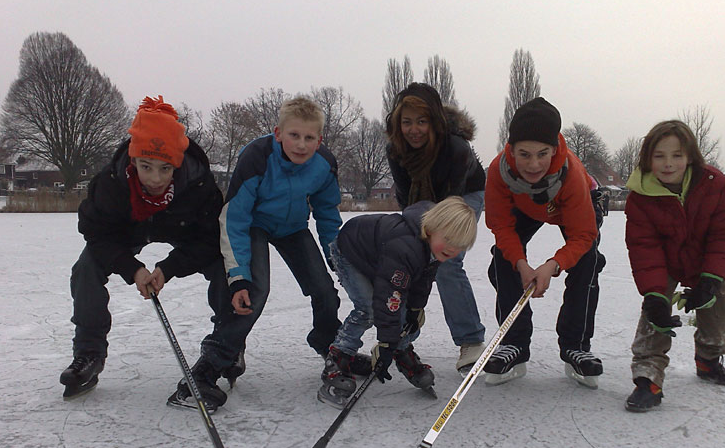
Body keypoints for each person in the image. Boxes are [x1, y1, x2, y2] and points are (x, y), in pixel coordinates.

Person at [168, 96, 343, 411]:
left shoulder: (324, 165)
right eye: (294, 135)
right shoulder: (256, 157)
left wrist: (336, 256)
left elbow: (327, 212)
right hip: (254, 226)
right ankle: (208, 367)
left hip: (292, 228)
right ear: (277, 133)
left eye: (309, 138)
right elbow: (235, 219)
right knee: (254, 292)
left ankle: (330, 346)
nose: (301, 144)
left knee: (324, 290)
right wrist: (238, 277)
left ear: (319, 140)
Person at [60, 96, 231, 400]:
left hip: (183, 229)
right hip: (129, 230)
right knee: (86, 267)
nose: (155, 179)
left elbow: (209, 240)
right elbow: (96, 233)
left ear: (177, 164)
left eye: (165, 169)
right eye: (146, 166)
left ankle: (228, 346)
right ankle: (89, 354)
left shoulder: (199, 185)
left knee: (225, 266)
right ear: (132, 160)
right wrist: (133, 268)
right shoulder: (111, 182)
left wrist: (168, 268)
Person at [483, 97, 606, 386]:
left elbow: (583, 235)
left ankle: (576, 346)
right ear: (510, 149)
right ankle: (513, 343)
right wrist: (521, 264)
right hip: (526, 206)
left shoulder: (572, 173)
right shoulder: (498, 172)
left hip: (571, 209)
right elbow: (501, 226)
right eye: (524, 154)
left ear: (554, 149)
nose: (534, 164)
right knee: (502, 260)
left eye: (542, 153)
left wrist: (553, 265)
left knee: (587, 261)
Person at [624, 120, 725, 412]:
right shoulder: (641, 196)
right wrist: (654, 295)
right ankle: (647, 379)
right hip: (663, 262)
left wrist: (711, 279)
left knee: (715, 310)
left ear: (690, 156)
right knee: (655, 315)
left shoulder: (716, 186)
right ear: (647, 158)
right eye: (659, 156)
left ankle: (709, 359)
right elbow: (644, 247)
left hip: (706, 261)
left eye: (676, 155)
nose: (668, 164)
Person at [318, 196, 478, 408]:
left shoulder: (433, 248)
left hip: (378, 258)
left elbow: (421, 281)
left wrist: (413, 309)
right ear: (432, 228)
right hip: (349, 251)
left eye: (459, 246)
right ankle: (337, 360)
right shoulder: (406, 247)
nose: (452, 249)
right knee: (368, 309)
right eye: (448, 239)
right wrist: (386, 344)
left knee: (404, 312)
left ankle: (402, 351)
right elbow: (388, 297)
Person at [385, 83, 487, 375]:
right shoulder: (395, 149)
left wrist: (431, 241)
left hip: (464, 195)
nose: (414, 129)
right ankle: (400, 338)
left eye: (421, 121)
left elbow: (451, 208)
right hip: (423, 199)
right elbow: (407, 199)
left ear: (434, 121)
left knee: (446, 261)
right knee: (408, 258)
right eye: (407, 122)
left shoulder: (456, 148)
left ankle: (471, 341)